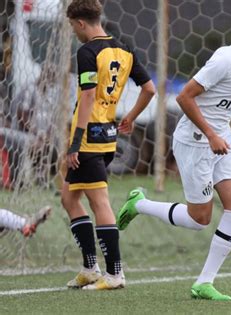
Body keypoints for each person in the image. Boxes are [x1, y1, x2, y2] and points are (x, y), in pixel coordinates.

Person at [118, 9, 231, 300]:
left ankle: (204, 282)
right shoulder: (224, 59)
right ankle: (140, 204)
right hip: (196, 140)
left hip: (222, 139)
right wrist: (210, 134)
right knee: (199, 219)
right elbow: (184, 97)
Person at [62, 0, 156, 290]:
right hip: (109, 133)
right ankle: (90, 267)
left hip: (89, 137)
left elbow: (88, 97)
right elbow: (149, 89)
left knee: (99, 201)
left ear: (80, 23)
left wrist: (74, 144)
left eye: (72, 26)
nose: (74, 32)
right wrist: (130, 116)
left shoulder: (88, 51)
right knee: (69, 196)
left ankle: (115, 274)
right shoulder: (124, 49)